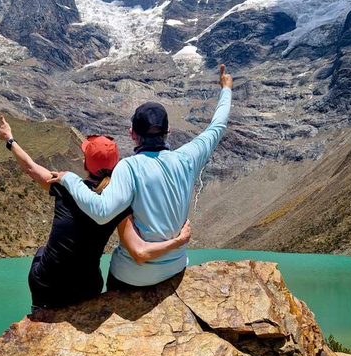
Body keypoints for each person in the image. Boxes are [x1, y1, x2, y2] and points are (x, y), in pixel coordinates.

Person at [48, 64, 233, 290]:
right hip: (174, 268)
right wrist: (226, 89)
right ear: (168, 131)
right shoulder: (188, 158)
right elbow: (217, 125)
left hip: (132, 277)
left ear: (132, 134)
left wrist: (69, 179)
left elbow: (101, 212)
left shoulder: (129, 167)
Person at [0, 116, 192, 311]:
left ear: (85, 163)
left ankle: (41, 316)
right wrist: (178, 241)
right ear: (116, 165)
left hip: (48, 284)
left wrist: (9, 139)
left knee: (41, 252)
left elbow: (30, 167)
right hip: (87, 287)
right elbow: (140, 251)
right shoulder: (120, 204)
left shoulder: (64, 186)